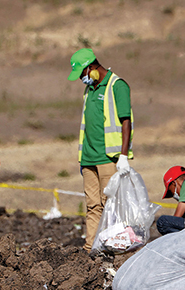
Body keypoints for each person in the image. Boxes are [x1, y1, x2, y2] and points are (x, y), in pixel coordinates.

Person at [67, 48, 134, 252]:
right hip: (88, 158)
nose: (82, 79)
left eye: (82, 74)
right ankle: (91, 249)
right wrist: (82, 158)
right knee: (92, 206)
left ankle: (112, 248)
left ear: (92, 67)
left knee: (110, 206)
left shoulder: (117, 86)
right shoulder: (90, 90)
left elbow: (126, 121)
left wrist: (123, 155)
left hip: (107, 158)